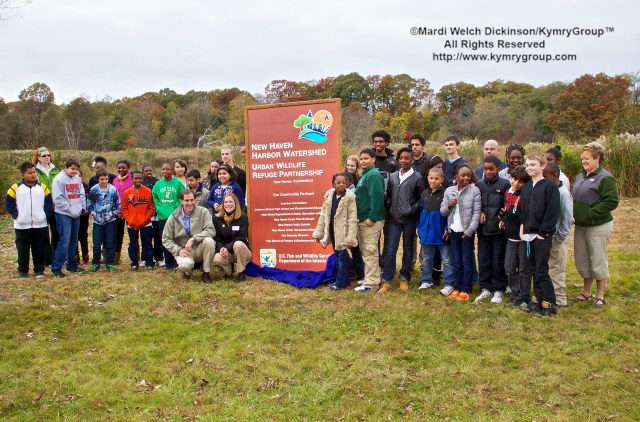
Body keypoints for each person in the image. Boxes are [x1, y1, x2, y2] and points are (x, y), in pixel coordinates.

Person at [572, 141, 618, 307]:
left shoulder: (605, 178)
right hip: (581, 226)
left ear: (597, 158)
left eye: (587, 159)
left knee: (598, 260)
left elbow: (612, 201)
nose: (584, 161)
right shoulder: (580, 176)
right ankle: (586, 292)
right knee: (582, 260)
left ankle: (600, 296)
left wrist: (591, 213)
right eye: (582, 158)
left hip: (597, 226)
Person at [517, 153, 560, 317]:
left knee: (542, 271)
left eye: (533, 165)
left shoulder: (549, 186)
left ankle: (549, 303)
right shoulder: (527, 187)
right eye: (527, 165)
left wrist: (543, 232)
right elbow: (523, 210)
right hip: (528, 235)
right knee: (533, 269)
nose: (529, 168)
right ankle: (539, 300)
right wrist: (522, 228)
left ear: (542, 166)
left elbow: (552, 211)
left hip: (542, 235)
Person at [380, 147, 424, 293]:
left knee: (408, 249)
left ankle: (404, 277)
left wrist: (411, 210)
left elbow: (420, 199)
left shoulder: (417, 178)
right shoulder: (393, 177)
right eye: (401, 158)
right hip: (393, 219)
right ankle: (387, 279)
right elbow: (388, 195)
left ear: (412, 159)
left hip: (409, 220)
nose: (404, 161)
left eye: (407, 158)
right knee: (390, 250)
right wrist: (389, 210)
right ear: (398, 160)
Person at [5, 162, 53, 278]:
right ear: (23, 174)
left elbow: (48, 203)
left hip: (40, 224)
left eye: (34, 172)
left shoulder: (43, 188)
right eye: (30, 173)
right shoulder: (15, 188)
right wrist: (17, 216)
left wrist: (44, 216)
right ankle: (23, 270)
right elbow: (9, 203)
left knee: (39, 248)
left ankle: (39, 270)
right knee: (22, 249)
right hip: (22, 225)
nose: (33, 175)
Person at [441, 164, 481, 300]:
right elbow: (443, 211)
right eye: (463, 175)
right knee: (456, 261)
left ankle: (467, 289)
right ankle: (457, 288)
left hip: (466, 232)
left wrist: (470, 230)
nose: (466, 178)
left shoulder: (474, 191)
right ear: (456, 177)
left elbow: (476, 213)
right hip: (453, 230)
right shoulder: (449, 191)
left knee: (467, 260)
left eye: (468, 175)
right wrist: (449, 205)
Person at [313, 173, 358, 290]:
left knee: (342, 259)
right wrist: (319, 233)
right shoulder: (329, 195)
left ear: (347, 183)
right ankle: (347, 280)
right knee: (340, 257)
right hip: (332, 232)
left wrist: (350, 238)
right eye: (338, 183)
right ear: (333, 184)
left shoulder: (350, 198)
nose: (341, 185)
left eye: (344, 182)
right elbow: (323, 215)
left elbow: (352, 219)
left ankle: (340, 283)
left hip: (343, 234)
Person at [475, 156, 511, 304]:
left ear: (498, 169)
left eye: (491, 169)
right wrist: (480, 212)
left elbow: (507, 205)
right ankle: (485, 287)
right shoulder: (479, 185)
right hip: (483, 230)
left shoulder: (504, 184)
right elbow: (476, 204)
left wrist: (501, 218)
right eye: (486, 169)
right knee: (483, 259)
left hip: (498, 231)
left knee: (498, 259)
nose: (488, 171)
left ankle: (498, 289)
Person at [162, 189, 217, 283]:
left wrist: (193, 239)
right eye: (186, 200)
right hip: (184, 250)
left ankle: (206, 272)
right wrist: (178, 250)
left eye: (192, 200)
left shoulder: (203, 212)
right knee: (185, 265)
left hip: (200, 247)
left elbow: (211, 230)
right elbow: (166, 238)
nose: (190, 203)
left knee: (209, 241)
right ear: (181, 201)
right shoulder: (173, 217)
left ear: (195, 200)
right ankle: (187, 272)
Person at [353, 149, 386, 293]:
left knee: (370, 250)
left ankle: (371, 284)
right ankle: (371, 276)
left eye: (366, 158)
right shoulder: (365, 175)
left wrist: (372, 218)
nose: (363, 161)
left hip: (370, 221)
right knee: (366, 251)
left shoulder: (373, 175)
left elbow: (377, 197)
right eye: (361, 158)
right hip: (362, 219)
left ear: (373, 159)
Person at [417, 167, 454, 294]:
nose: (433, 181)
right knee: (427, 258)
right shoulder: (424, 193)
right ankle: (426, 280)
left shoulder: (446, 193)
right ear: (427, 178)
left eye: (436, 178)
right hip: (426, 232)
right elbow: (421, 211)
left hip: (441, 232)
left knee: (447, 259)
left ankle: (449, 283)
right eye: (431, 178)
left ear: (442, 180)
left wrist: (446, 228)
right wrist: (419, 226)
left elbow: (449, 213)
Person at [498, 165, 530, 304]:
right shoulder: (508, 192)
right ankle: (515, 293)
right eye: (514, 179)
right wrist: (503, 220)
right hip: (510, 236)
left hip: (522, 236)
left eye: (521, 181)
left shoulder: (526, 195)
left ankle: (524, 296)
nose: (516, 183)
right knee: (509, 267)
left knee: (523, 268)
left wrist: (508, 215)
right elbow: (507, 210)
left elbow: (522, 217)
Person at [50, 158, 87, 278]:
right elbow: (58, 199)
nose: (74, 171)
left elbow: (81, 193)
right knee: (64, 240)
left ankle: (72, 265)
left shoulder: (77, 178)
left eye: (76, 169)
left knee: (73, 240)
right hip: (64, 214)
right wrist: (70, 209)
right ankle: (56, 267)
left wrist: (82, 207)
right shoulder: (59, 180)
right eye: (72, 169)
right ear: (65, 168)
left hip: (76, 213)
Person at [543, 162, 574, 307]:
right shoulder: (550, 190)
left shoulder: (563, 194)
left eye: (546, 177)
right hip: (549, 237)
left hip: (558, 237)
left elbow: (567, 219)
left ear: (554, 176)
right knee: (548, 267)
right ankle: (549, 296)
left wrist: (559, 237)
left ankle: (560, 299)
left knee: (557, 267)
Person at [213, 193, 253, 283]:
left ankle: (241, 273)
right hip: (227, 253)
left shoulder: (242, 217)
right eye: (226, 202)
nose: (228, 204)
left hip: (242, 251)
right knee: (217, 258)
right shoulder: (216, 219)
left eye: (231, 202)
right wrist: (221, 248)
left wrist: (227, 248)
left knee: (238, 244)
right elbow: (217, 238)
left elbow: (242, 237)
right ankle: (229, 272)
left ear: (236, 203)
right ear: (223, 204)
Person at [152, 162, 184, 270]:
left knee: (175, 239)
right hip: (162, 216)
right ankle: (168, 262)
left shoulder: (178, 183)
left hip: (175, 216)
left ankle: (177, 261)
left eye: (168, 169)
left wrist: (175, 209)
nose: (165, 171)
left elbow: (182, 197)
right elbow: (155, 198)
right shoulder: (158, 184)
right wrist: (159, 209)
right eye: (163, 169)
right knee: (165, 238)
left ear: (172, 171)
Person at [87, 168, 120, 272]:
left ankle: (109, 262)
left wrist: (111, 214)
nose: (104, 181)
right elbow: (89, 205)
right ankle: (95, 263)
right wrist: (94, 214)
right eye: (102, 179)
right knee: (97, 243)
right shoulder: (94, 190)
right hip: (97, 220)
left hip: (110, 220)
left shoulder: (113, 190)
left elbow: (118, 205)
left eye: (106, 179)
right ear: (98, 179)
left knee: (110, 242)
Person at [121, 171, 156, 271]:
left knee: (148, 243)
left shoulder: (148, 191)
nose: (138, 180)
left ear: (142, 179)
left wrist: (146, 218)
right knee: (133, 244)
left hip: (146, 223)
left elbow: (151, 208)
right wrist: (129, 219)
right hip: (132, 223)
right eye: (135, 178)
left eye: (140, 178)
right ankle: (134, 262)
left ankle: (149, 262)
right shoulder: (127, 192)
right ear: (131, 179)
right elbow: (124, 208)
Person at [33, 146, 60, 265]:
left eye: (48, 155)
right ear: (38, 157)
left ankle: (55, 256)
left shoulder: (56, 171)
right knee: (43, 233)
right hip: (42, 205)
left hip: (56, 205)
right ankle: (46, 258)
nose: (47, 157)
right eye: (44, 156)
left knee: (56, 232)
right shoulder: (35, 172)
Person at [141, 164, 163, 266]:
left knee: (158, 237)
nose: (149, 172)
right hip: (145, 215)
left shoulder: (157, 182)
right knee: (146, 237)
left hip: (156, 214)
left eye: (150, 170)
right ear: (143, 172)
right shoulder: (140, 182)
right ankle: (145, 258)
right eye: (146, 171)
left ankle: (159, 258)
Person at [112, 160, 133, 266]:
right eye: (119, 168)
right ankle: (116, 258)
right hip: (117, 213)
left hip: (130, 212)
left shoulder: (132, 179)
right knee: (117, 235)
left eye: (123, 168)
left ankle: (135, 258)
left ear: (128, 168)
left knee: (132, 235)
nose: (121, 170)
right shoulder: (115, 180)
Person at [75, 169, 91, 268]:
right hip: (74, 215)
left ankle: (86, 258)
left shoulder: (85, 186)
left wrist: (87, 209)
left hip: (84, 215)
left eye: (79, 175)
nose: (77, 177)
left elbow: (89, 199)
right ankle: (75, 258)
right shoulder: (69, 187)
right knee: (74, 238)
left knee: (83, 237)